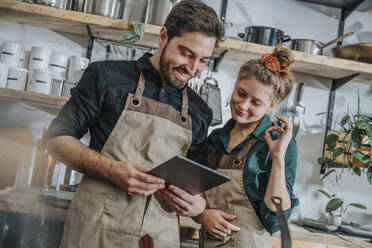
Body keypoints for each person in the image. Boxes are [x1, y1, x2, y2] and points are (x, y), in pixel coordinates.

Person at [45, 1, 224, 247]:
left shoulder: (200, 111)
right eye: (186, 53)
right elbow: (56, 139)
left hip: (159, 237)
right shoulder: (106, 76)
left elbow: (194, 181)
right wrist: (110, 169)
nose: (193, 69)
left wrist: (198, 205)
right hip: (94, 229)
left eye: (203, 60)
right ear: (163, 36)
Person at [194, 45, 299, 247]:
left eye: (255, 102)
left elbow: (276, 220)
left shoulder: (279, 143)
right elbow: (195, 188)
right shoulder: (216, 138)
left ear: (271, 106)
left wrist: (277, 158)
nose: (243, 105)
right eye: (241, 93)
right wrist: (202, 215)